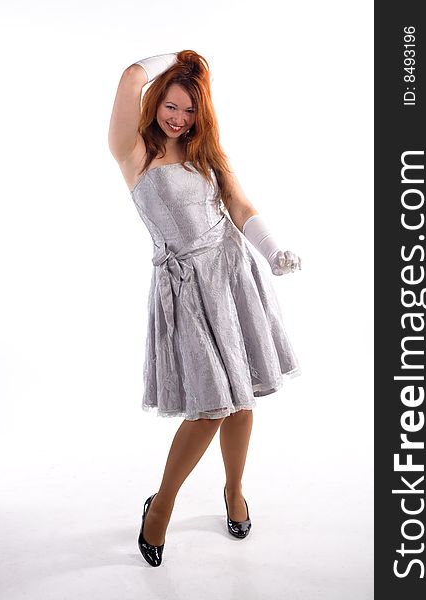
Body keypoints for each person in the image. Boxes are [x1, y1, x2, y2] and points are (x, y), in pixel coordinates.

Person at [108, 50, 302, 567]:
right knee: (211, 406)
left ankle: (234, 489)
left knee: (241, 400)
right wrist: (187, 58)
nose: (178, 118)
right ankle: (162, 506)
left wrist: (273, 249)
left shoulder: (206, 152)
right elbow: (131, 75)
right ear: (156, 104)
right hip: (186, 289)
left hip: (232, 275)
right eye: (171, 105)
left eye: (190, 110)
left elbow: (238, 203)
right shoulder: (133, 151)